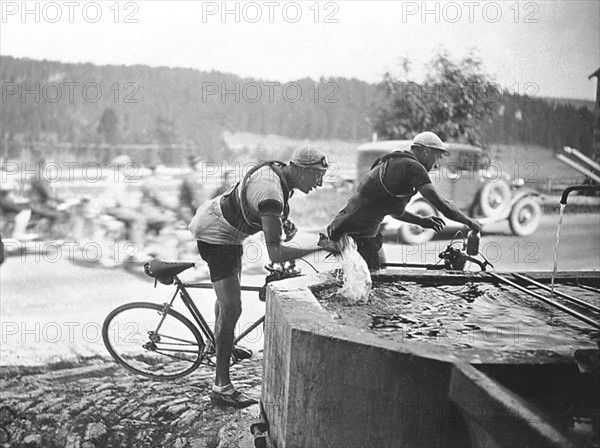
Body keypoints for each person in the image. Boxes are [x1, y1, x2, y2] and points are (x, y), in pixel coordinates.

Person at [188, 146, 331, 408]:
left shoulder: (279, 176)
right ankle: (221, 386)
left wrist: (281, 222)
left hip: (223, 226)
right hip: (216, 235)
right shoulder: (271, 192)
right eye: (318, 175)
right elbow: (276, 253)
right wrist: (320, 246)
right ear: (300, 169)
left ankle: (223, 344)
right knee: (232, 309)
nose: (320, 183)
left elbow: (261, 207)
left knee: (227, 303)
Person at [325, 131, 482, 270]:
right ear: (426, 151)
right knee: (376, 282)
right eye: (437, 157)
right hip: (359, 232)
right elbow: (443, 205)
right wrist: (469, 221)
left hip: (348, 225)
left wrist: (421, 221)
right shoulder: (413, 168)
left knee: (375, 272)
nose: (436, 165)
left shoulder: (390, 160)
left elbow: (393, 211)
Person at [179, 155, 206, 221]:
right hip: (189, 210)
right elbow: (196, 197)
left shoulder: (193, 176)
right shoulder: (192, 177)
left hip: (190, 209)